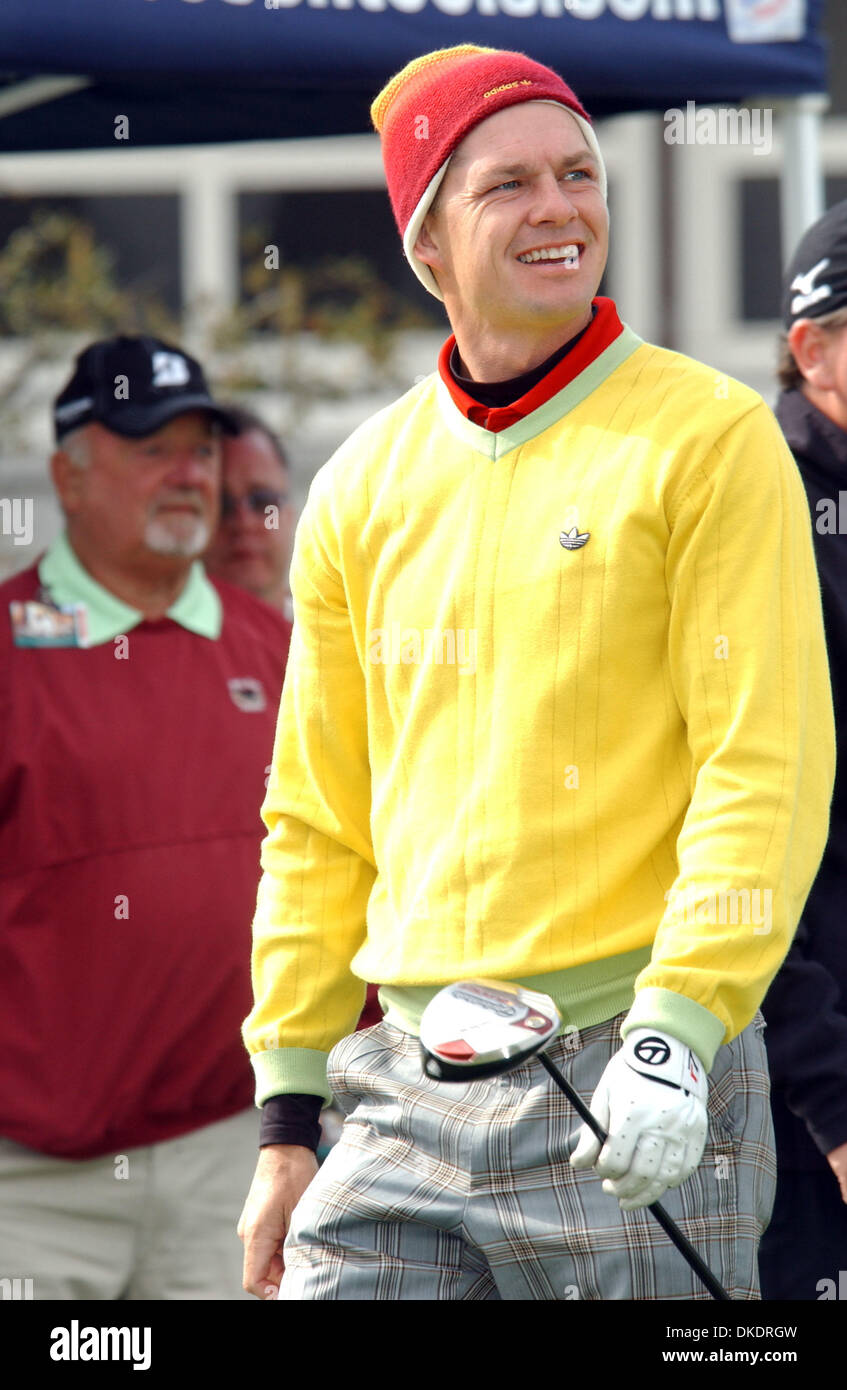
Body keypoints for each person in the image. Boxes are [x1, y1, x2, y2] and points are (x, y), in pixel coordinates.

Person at [238, 46, 834, 1302]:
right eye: (509, 184)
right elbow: (315, 817)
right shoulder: (356, 486)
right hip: (401, 1082)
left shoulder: (713, 440)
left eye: (580, 173)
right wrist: (286, 1114)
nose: (561, 206)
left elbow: (762, 765)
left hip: (638, 1066)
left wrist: (680, 1028)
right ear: (429, 244)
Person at [0, 335, 291, 1299]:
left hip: (233, 1156)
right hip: (33, 1185)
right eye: (148, 446)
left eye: (200, 449)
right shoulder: (8, 650)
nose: (185, 474)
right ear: (68, 475)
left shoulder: (288, 653)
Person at [758, 201, 847, 1301]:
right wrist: (832, 1103)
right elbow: (749, 837)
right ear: (811, 348)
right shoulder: (760, 503)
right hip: (801, 1104)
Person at [204, 405, 295, 621]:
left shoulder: (350, 640)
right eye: (222, 504)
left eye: (263, 501)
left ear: (290, 516)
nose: (243, 522)